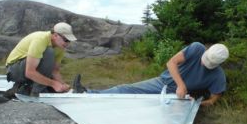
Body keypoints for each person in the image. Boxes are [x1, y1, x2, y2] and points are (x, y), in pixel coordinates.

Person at [73, 42, 229, 106]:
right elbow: (171, 63)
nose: (204, 63)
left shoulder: (218, 76)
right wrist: (181, 85)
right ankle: (87, 93)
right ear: (207, 50)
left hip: (179, 99)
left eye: (209, 64)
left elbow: (213, 99)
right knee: (126, 89)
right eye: (205, 59)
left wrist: (195, 104)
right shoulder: (196, 48)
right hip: (163, 83)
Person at [5, 22, 77, 97]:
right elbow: (29, 72)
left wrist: (63, 85)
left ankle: (25, 87)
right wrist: (54, 84)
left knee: (53, 83)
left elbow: (55, 70)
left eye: (69, 40)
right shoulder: (40, 39)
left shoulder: (60, 47)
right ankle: (36, 92)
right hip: (13, 69)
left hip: (26, 69)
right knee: (49, 52)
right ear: (55, 35)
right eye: (66, 40)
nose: (67, 43)